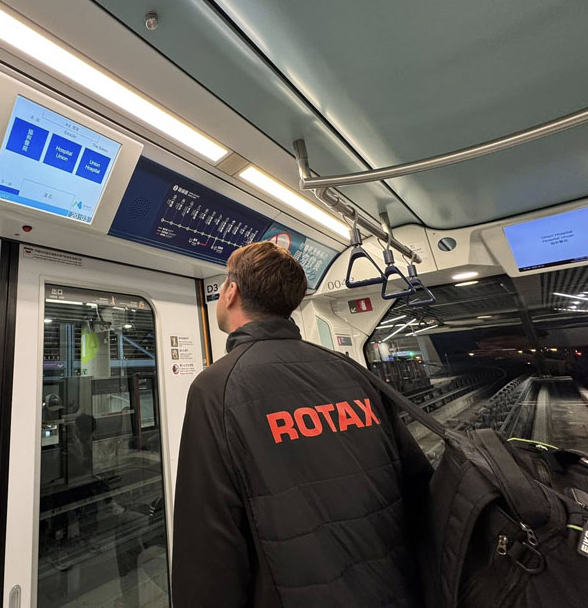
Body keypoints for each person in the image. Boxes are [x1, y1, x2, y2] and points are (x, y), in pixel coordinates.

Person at [171, 242, 432, 607]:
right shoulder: (350, 370)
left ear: (231, 292)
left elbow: (208, 546)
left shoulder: (217, 387)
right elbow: (419, 487)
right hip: (399, 589)